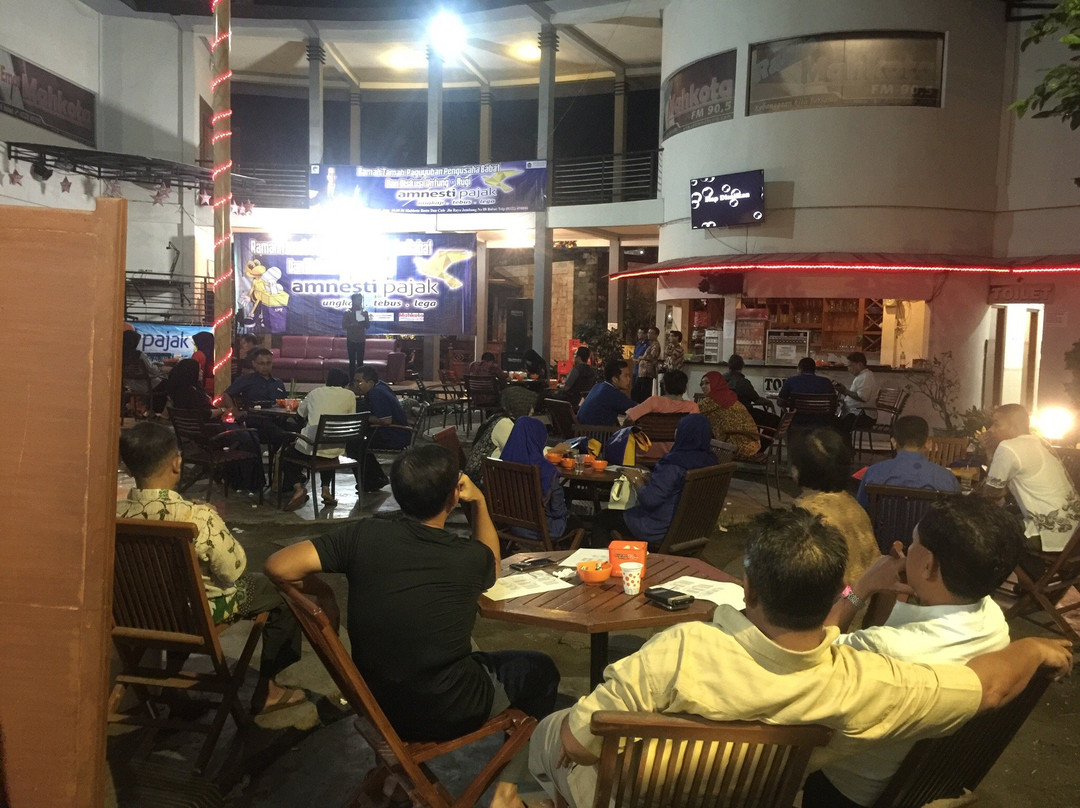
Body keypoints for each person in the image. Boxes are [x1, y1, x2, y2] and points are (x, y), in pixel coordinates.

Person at [528, 506, 1073, 808]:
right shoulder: (872, 680)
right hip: (767, 793)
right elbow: (985, 687)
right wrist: (1028, 645)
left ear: (748, 590)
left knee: (554, 734)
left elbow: (578, 744)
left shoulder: (680, 649)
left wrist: (860, 590)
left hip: (651, 792)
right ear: (831, 589)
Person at [264, 444, 561, 741]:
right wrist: (480, 503)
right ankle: (523, 760)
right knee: (541, 668)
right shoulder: (467, 557)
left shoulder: (363, 535)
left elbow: (278, 566)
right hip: (445, 711)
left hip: (377, 705)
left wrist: (324, 593)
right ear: (454, 495)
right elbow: (493, 564)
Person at [803, 498, 1024, 807]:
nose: (906, 550)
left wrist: (862, 586)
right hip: (919, 785)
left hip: (847, 789)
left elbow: (810, 655)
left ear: (928, 564)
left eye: (913, 542)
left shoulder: (884, 648)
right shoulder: (994, 621)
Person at [117, 421, 338, 715]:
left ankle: (172, 687)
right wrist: (213, 520)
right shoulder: (196, 517)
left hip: (136, 612)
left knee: (174, 594)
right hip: (193, 613)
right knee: (280, 591)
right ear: (176, 463)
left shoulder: (113, 514)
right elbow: (234, 570)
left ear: (129, 467)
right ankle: (269, 690)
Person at [591, 413, 718, 549]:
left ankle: (599, 559)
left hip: (656, 529)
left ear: (683, 434)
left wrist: (636, 480)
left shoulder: (674, 463)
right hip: (691, 530)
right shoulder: (711, 462)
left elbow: (650, 500)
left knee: (602, 518)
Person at [979, 403, 1080, 552]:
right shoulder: (1042, 442)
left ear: (1013, 426)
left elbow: (991, 494)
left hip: (1048, 535)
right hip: (1074, 536)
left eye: (996, 424)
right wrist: (990, 453)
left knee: (979, 531)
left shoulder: (1008, 447)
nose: (990, 430)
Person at [791, 428, 879, 587]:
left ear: (799, 470)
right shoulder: (852, 505)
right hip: (870, 595)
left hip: (844, 599)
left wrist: (853, 599)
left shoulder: (807, 513)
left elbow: (805, 576)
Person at [165, 358, 266, 492]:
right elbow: (205, 414)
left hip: (198, 434)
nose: (202, 372)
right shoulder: (191, 393)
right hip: (212, 434)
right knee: (250, 437)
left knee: (245, 436)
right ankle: (251, 482)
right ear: (190, 372)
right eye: (199, 370)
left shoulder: (179, 392)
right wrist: (224, 410)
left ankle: (239, 480)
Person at [281, 368, 357, 512]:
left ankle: (298, 488)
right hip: (336, 449)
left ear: (327, 381)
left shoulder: (315, 392)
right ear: (345, 384)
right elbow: (350, 417)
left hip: (312, 449)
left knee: (286, 454)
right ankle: (325, 490)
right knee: (327, 454)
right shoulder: (350, 395)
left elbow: (300, 413)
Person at [855, 415, 960, 512]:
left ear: (894, 442)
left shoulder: (873, 473)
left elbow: (859, 511)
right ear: (928, 444)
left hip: (883, 527)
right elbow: (957, 517)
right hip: (928, 527)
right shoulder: (947, 478)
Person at [499, 417, 569, 540]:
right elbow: (558, 511)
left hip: (512, 525)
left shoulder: (501, 465)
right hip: (543, 528)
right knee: (576, 524)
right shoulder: (546, 470)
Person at [221, 348, 295, 453]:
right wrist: (235, 412)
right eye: (261, 363)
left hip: (276, 420)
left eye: (268, 363)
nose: (265, 367)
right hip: (256, 420)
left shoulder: (278, 383)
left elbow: (283, 402)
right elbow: (226, 395)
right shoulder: (247, 380)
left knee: (299, 430)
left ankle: (285, 461)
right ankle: (277, 459)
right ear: (254, 364)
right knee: (281, 434)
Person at [464, 387, 538, 490]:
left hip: (486, 477)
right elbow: (522, 453)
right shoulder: (504, 424)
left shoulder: (497, 417)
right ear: (519, 406)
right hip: (483, 483)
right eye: (530, 407)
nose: (532, 411)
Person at [355, 365, 410, 491]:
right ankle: (376, 478)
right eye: (355, 381)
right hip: (401, 433)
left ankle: (371, 481)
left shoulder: (376, 393)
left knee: (355, 444)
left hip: (393, 436)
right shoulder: (381, 386)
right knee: (358, 442)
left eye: (359, 381)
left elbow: (386, 420)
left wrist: (365, 418)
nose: (356, 385)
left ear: (370, 382)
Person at [624, 369, 699, 460]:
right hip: (677, 454)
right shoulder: (692, 407)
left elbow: (629, 418)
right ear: (685, 388)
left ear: (664, 387)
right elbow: (694, 432)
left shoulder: (654, 401)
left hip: (647, 452)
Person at [696, 371, 761, 459]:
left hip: (738, 445)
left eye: (707, 383)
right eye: (701, 384)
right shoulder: (728, 396)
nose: (703, 386)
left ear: (716, 383)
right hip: (753, 444)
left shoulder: (713, 400)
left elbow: (692, 412)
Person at [576, 358, 637, 427]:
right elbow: (638, 410)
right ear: (615, 379)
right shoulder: (612, 393)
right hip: (598, 432)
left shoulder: (598, 386)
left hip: (582, 430)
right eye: (626, 376)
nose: (629, 379)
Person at [777, 357, 836, 427]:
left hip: (797, 422)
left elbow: (780, 402)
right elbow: (834, 403)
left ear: (799, 369)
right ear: (814, 369)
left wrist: (788, 409)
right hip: (822, 423)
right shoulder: (826, 382)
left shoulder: (791, 381)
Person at [121, 329, 168, 414]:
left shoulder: (119, 354)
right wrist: (160, 369)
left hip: (128, 385)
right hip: (146, 385)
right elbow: (153, 370)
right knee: (166, 384)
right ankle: (157, 411)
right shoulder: (138, 355)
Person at [835, 351, 879, 435]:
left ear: (859, 364)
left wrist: (845, 391)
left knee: (839, 424)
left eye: (850, 366)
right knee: (836, 421)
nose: (848, 369)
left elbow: (863, 397)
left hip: (864, 416)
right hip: (857, 412)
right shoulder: (861, 376)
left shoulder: (865, 377)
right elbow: (855, 395)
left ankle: (844, 442)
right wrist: (844, 392)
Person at [342, 293, 371, 379]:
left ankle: (360, 380)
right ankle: (351, 380)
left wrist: (364, 319)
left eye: (360, 300)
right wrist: (352, 325)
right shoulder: (348, 312)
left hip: (360, 340)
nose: (359, 301)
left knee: (360, 362)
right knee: (352, 362)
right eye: (358, 300)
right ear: (353, 300)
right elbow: (344, 326)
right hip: (351, 340)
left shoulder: (363, 312)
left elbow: (367, 326)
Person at [632, 326, 662, 403]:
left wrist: (642, 357)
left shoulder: (655, 345)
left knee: (644, 394)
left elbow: (652, 356)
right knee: (638, 393)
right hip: (641, 372)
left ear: (656, 335)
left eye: (651, 333)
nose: (649, 335)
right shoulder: (650, 344)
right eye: (648, 333)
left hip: (647, 372)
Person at [191, 331, 216, 396]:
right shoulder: (215, 354)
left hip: (201, 386)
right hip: (214, 385)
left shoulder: (198, 354)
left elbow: (192, 370)